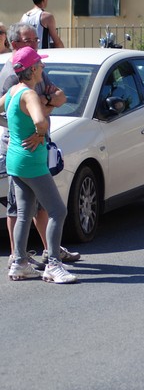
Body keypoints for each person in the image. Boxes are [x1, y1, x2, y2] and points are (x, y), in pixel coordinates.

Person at [0, 22, 80, 269]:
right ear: (31, 68)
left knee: (27, 211)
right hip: (28, 154)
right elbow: (40, 120)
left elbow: (60, 96)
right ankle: (53, 264)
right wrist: (38, 131)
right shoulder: (27, 92)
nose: (43, 65)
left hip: (18, 156)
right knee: (56, 210)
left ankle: (20, 262)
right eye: (31, 42)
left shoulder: (16, 89)